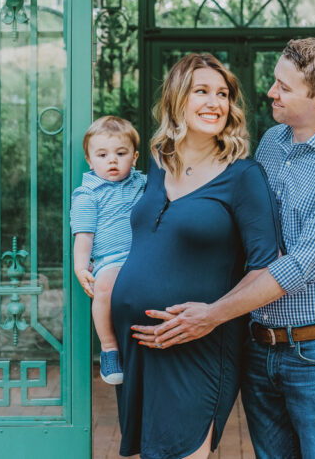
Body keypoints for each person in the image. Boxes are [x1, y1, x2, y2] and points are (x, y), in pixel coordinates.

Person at [133, 36, 315, 458]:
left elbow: (299, 266)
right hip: (259, 346)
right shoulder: (272, 142)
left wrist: (212, 315)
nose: (271, 92)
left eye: (284, 87)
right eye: (275, 81)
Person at [111, 53, 282, 459]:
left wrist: (211, 315)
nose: (215, 102)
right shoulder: (155, 163)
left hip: (198, 344)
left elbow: (267, 266)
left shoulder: (243, 177)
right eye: (201, 91)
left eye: (223, 94)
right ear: (176, 100)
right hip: (140, 345)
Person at [70, 115, 146, 385]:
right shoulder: (87, 194)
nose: (112, 160)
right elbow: (84, 237)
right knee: (104, 288)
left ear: (135, 157)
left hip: (143, 255)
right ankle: (109, 348)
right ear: (90, 161)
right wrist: (81, 267)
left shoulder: (142, 183)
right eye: (102, 155)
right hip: (110, 259)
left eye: (121, 153)